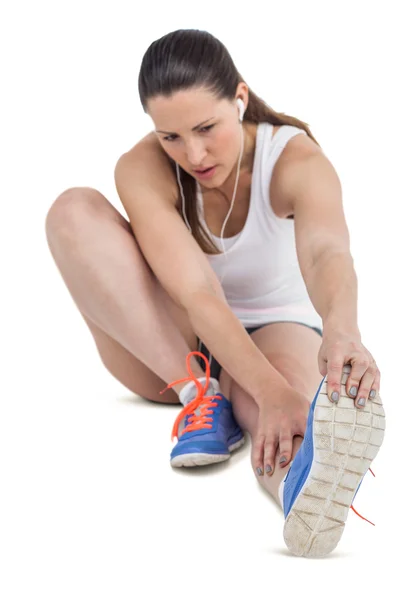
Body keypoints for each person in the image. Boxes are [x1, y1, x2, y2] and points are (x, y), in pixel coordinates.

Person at [45, 28, 385, 557]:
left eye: (207, 128)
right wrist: (259, 388)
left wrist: (342, 332)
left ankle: (302, 492)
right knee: (72, 210)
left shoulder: (294, 160)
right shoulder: (143, 167)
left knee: (286, 401)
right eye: (170, 137)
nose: (194, 153)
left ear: (240, 99)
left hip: (277, 325)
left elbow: (327, 254)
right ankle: (201, 397)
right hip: (171, 343)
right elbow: (195, 290)